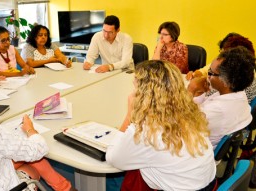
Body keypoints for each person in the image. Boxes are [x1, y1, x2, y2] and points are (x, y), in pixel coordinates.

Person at [106, 60, 216, 190]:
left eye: (136, 88)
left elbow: (113, 158)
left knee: (110, 179)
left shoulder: (147, 130)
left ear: (145, 94)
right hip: (208, 185)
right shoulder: (191, 114)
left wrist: (130, 114)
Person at [188, 46, 255, 149]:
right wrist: (199, 93)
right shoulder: (238, 95)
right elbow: (199, 105)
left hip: (197, 149)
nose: (207, 76)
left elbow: (182, 121)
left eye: (211, 73)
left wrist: (191, 90)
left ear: (226, 82)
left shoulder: (217, 110)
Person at [187, 33, 256, 103]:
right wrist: (197, 74)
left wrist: (192, 89)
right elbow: (204, 71)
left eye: (224, 54)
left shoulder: (240, 80)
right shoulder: (240, 69)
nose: (220, 56)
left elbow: (207, 96)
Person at [0, 114, 48, 190]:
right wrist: (30, 129)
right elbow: (39, 149)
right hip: (9, 188)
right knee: (32, 169)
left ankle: (62, 185)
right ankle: (63, 186)